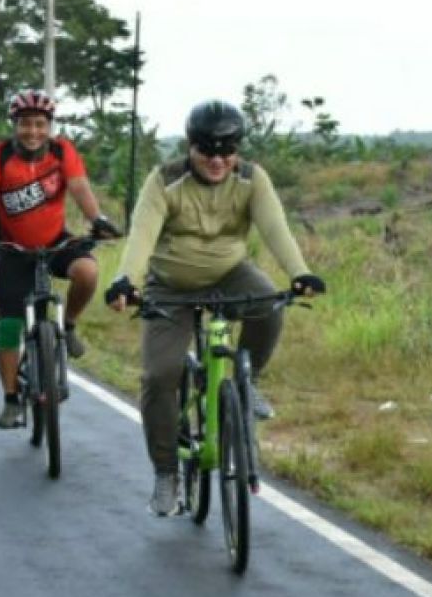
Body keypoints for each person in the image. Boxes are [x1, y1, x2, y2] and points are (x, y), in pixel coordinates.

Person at [105, 99, 326, 517]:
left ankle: (248, 383)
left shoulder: (251, 179)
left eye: (228, 151)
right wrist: (126, 282)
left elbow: (275, 227)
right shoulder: (164, 180)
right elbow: (141, 236)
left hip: (230, 274)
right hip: (170, 286)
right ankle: (167, 472)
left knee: (269, 305)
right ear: (191, 146)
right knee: (159, 376)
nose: (218, 160)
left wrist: (300, 272)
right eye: (208, 150)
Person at [0, 89, 120, 430]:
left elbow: (79, 187)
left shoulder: (63, 151)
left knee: (88, 271)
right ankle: (11, 400)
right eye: (25, 124)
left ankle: (70, 325)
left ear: (50, 126)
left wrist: (97, 220)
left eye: (40, 124)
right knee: (8, 328)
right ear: (14, 125)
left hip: (55, 242)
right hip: (12, 249)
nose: (33, 132)